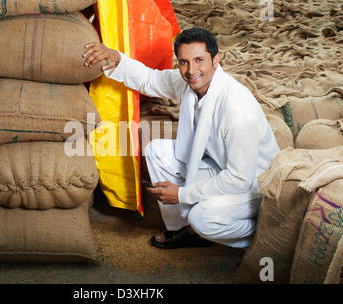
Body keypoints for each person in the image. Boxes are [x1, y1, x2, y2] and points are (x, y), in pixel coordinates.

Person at [83, 27, 280, 250]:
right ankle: (184, 230)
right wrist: (117, 59)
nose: (191, 70)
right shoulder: (189, 83)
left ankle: (259, 235)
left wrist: (182, 194)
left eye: (199, 60)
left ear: (216, 60)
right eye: (184, 62)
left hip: (256, 184)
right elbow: (151, 79)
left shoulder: (237, 110)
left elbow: (239, 179)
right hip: (221, 166)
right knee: (156, 150)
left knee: (202, 218)